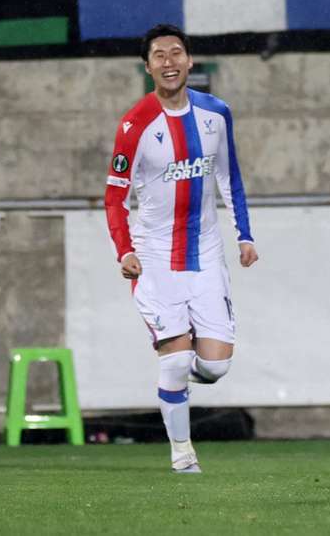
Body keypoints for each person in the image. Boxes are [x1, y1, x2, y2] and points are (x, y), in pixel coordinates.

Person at [105, 24, 258, 473]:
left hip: (206, 255)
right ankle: (182, 453)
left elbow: (231, 178)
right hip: (154, 259)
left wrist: (244, 235)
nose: (169, 62)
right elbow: (114, 197)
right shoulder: (134, 126)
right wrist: (124, 251)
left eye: (176, 53)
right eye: (159, 55)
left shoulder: (217, 114)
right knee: (174, 356)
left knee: (214, 367)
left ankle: (176, 379)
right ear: (147, 66)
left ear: (189, 61)